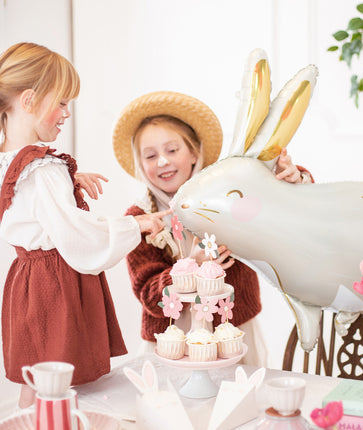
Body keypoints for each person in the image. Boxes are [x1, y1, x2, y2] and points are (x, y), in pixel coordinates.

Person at [0, 42, 170, 408]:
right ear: (29, 100)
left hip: (25, 281)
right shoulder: (42, 170)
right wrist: (135, 225)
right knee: (58, 381)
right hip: (54, 284)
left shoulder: (12, 163)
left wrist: (67, 182)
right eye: (61, 102)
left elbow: (24, 204)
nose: (66, 113)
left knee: (36, 375)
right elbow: (79, 240)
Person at [112, 91, 314, 367]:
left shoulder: (226, 194)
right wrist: (190, 265)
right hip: (171, 341)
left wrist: (292, 177)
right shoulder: (140, 219)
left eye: (172, 150)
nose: (162, 161)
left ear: (195, 153)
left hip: (232, 332)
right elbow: (149, 295)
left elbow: (269, 197)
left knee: (237, 401)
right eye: (150, 155)